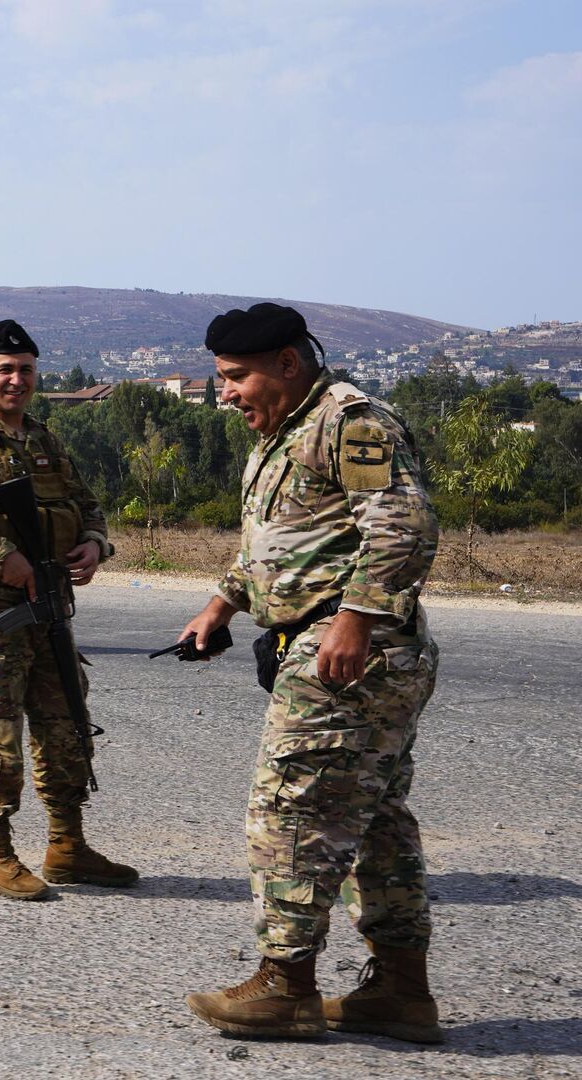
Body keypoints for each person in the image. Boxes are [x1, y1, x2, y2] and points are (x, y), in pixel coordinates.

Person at [179, 303, 442, 1043]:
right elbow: (277, 540)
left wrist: (355, 618)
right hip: (340, 643)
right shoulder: (285, 431)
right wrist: (222, 605)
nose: (224, 392)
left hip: (346, 649)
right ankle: (400, 990)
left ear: (287, 364)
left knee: (293, 810)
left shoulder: (347, 421)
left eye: (235, 377)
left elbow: (403, 524)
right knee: (373, 822)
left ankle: (284, 986)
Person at [0, 319, 134, 901]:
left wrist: (93, 542)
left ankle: (67, 845)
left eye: (26, 370)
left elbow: (87, 504)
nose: (16, 380)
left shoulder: (45, 442)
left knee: (65, 726)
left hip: (51, 607)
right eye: (5, 369)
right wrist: (0, 556)